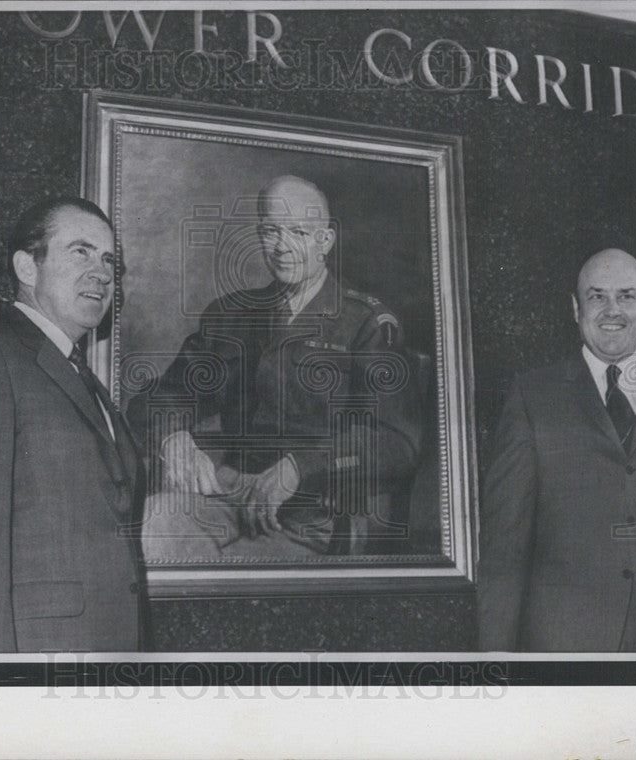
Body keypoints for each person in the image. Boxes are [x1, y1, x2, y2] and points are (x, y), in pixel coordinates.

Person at [132, 175, 424, 559]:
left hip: (313, 514)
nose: (282, 247)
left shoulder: (366, 322)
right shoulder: (230, 316)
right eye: (271, 231)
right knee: (151, 526)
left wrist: (300, 468)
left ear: (326, 242)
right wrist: (173, 439)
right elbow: (156, 399)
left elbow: (396, 443)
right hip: (228, 495)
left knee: (213, 575)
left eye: (299, 232)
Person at [478, 248, 636, 652]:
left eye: (627, 296)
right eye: (597, 297)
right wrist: (495, 665)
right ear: (575, 307)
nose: (612, 310)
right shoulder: (531, 396)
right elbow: (504, 551)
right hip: (568, 647)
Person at [0, 197, 146, 652]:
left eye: (109, 259)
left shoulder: (77, 373)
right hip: (38, 658)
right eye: (81, 251)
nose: (102, 272)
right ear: (27, 268)